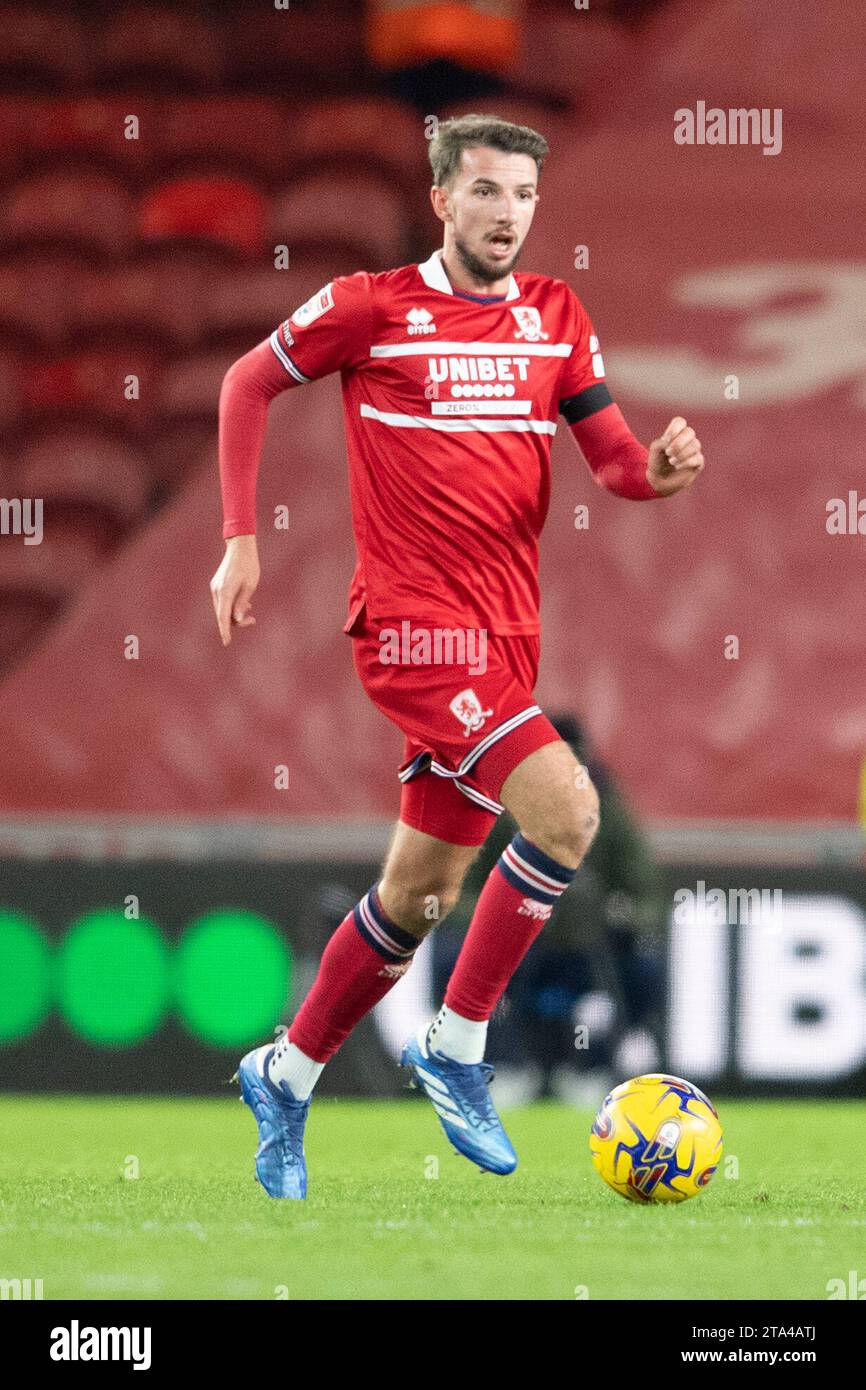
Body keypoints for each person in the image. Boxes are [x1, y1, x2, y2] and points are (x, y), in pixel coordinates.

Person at [212, 113, 705, 1198]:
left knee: (418, 895)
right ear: (441, 198)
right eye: (485, 192)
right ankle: (457, 1044)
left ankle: (283, 1073)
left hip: (503, 638)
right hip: (410, 627)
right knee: (567, 810)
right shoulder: (370, 307)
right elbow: (246, 381)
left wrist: (655, 472)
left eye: (523, 196)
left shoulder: (554, 319)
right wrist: (239, 539)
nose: (506, 214)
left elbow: (611, 460)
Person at [438, 713, 666, 1104]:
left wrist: (619, 916)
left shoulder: (607, 812)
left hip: (590, 946)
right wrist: (498, 915)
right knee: (453, 956)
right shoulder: (500, 810)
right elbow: (457, 891)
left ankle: (597, 1065)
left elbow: (646, 895)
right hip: (515, 946)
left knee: (646, 963)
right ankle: (500, 1063)